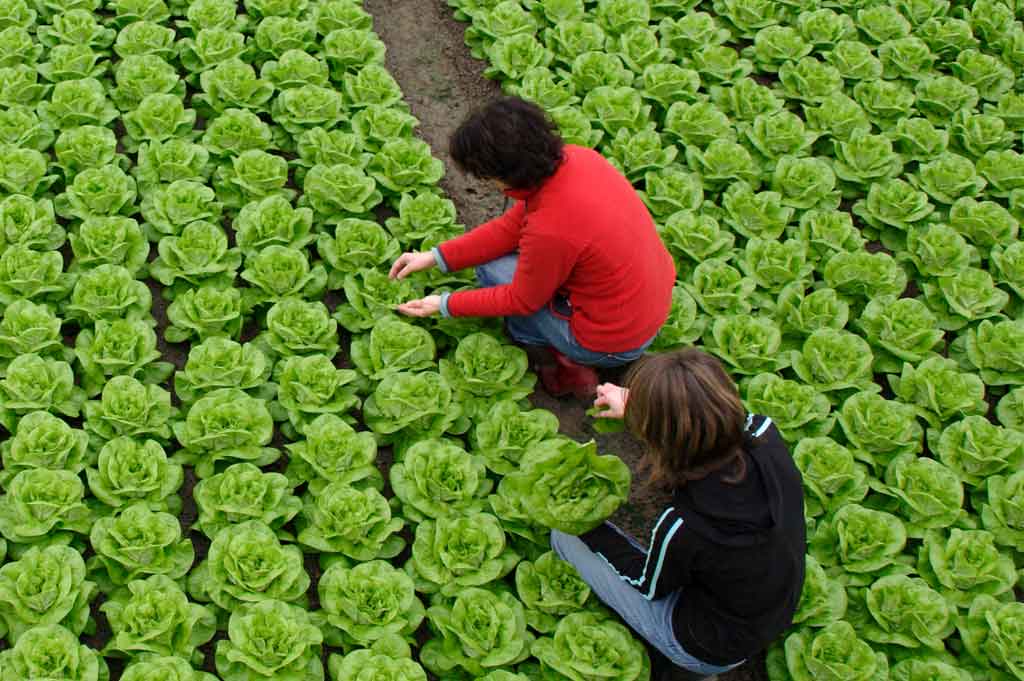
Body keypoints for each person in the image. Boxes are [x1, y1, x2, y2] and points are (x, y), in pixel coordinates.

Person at [388, 96, 676, 398]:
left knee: (493, 270)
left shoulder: (551, 228)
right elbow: (511, 228)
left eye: (488, 177)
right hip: (647, 306)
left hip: (610, 341)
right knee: (504, 261)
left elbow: (521, 300)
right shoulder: (579, 159)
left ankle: (562, 366)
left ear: (506, 174)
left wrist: (443, 304)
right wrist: (434, 257)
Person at [552, 349, 806, 679]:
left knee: (564, 538)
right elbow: (705, 420)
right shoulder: (764, 433)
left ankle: (692, 670)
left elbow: (647, 582)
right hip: (776, 606)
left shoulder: (687, 526)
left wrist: (584, 524)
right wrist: (636, 405)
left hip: (711, 644)